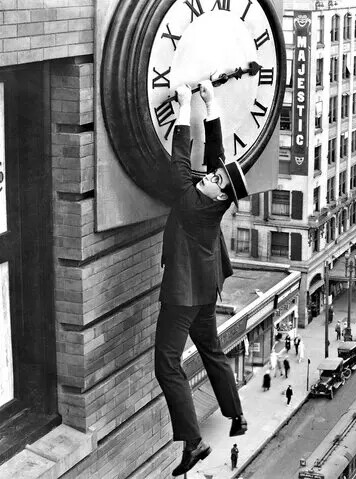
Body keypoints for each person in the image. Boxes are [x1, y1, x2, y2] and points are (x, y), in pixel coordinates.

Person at [154, 83, 249, 476]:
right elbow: (216, 156)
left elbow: (178, 167)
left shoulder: (195, 203)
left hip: (184, 294)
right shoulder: (215, 197)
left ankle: (193, 442)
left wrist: (180, 110)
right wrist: (211, 105)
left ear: (219, 190)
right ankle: (237, 415)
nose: (208, 175)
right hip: (206, 288)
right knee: (210, 350)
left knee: (167, 362)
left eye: (214, 178)